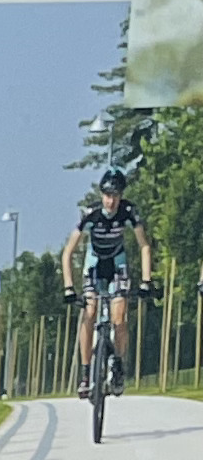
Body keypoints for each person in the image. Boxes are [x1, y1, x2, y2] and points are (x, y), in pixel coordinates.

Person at [65, 167, 160, 392]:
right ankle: (86, 372)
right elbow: (68, 252)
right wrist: (68, 287)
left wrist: (146, 281)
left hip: (118, 264)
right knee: (89, 314)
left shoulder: (128, 211)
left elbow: (144, 246)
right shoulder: (91, 213)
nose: (111, 201)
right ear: (101, 195)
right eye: (107, 195)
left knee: (119, 317)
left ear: (121, 195)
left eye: (116, 195)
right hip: (94, 264)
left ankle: (117, 364)